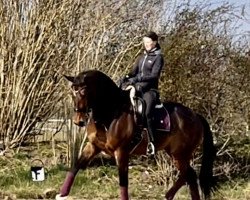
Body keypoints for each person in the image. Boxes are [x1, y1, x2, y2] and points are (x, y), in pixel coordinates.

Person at [122, 31, 164, 155]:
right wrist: (126, 78)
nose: (146, 44)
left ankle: (152, 142)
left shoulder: (158, 57)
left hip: (150, 90)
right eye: (145, 42)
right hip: (138, 87)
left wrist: (137, 80)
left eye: (148, 42)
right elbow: (133, 72)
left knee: (146, 112)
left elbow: (154, 76)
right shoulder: (141, 57)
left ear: (155, 42)